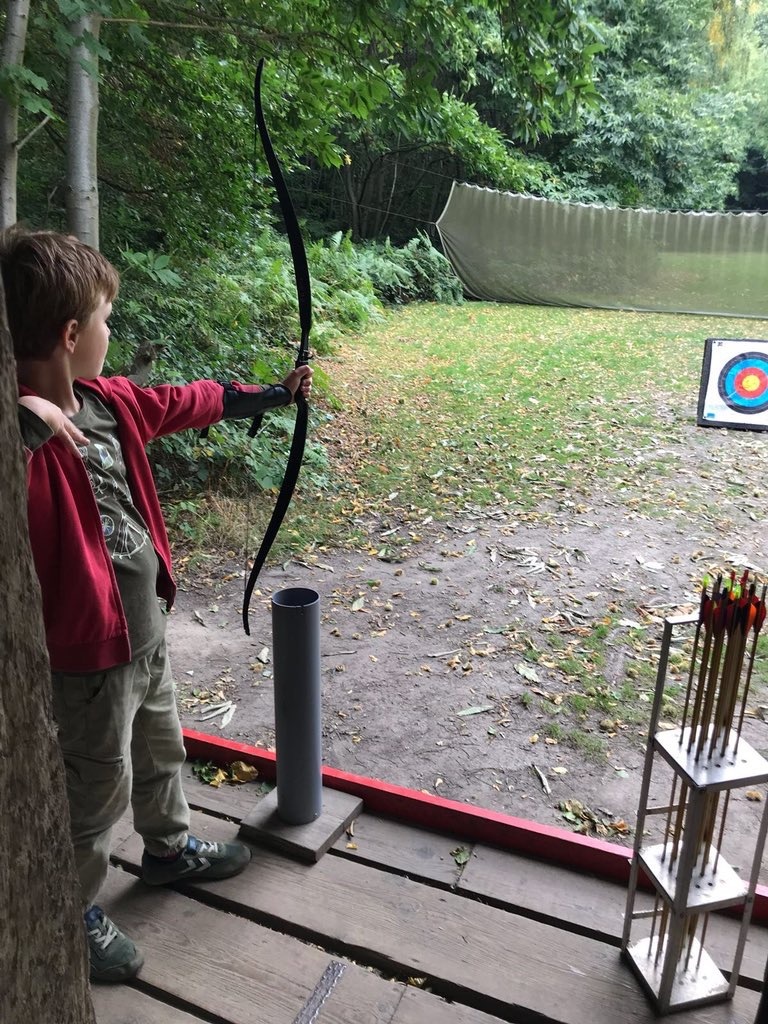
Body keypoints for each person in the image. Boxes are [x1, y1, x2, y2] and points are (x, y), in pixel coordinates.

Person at [4, 227, 313, 983]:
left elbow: (185, 401)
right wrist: (27, 419)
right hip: (86, 659)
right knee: (93, 790)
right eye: (105, 321)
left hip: (143, 634)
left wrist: (275, 394)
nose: (111, 334)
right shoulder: (19, 440)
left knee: (160, 749)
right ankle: (69, 914)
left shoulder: (109, 401)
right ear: (71, 335)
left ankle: (168, 850)